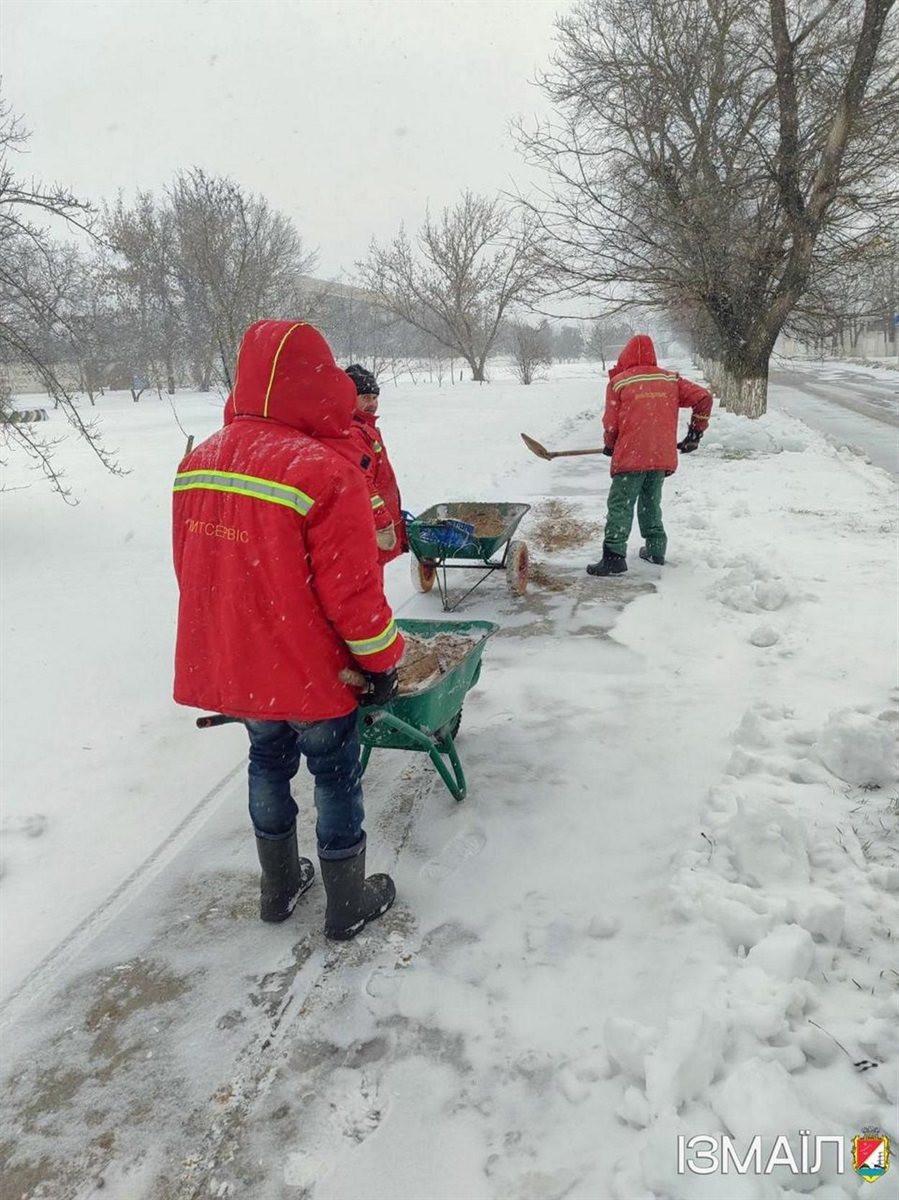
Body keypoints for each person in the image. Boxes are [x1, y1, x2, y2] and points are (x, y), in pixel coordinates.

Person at [172, 319, 405, 941]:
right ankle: (346, 901)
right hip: (311, 669)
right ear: (315, 381)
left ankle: (278, 888)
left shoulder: (199, 462)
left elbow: (191, 573)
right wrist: (383, 663)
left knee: (266, 761)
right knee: (333, 773)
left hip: (246, 664)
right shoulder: (324, 470)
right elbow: (353, 595)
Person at [586, 334, 712, 576]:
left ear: (625, 356)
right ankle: (656, 549)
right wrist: (695, 434)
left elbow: (611, 424)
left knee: (621, 504)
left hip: (631, 456)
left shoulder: (620, 382)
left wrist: (610, 445)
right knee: (650, 502)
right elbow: (703, 398)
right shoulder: (670, 379)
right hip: (659, 456)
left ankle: (614, 556)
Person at [343, 364, 409, 571]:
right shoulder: (354, 433)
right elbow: (361, 482)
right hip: (369, 528)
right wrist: (382, 522)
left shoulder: (366, 428)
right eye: (365, 397)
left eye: (374, 397)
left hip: (376, 523)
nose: (372, 403)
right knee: (369, 583)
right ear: (348, 398)